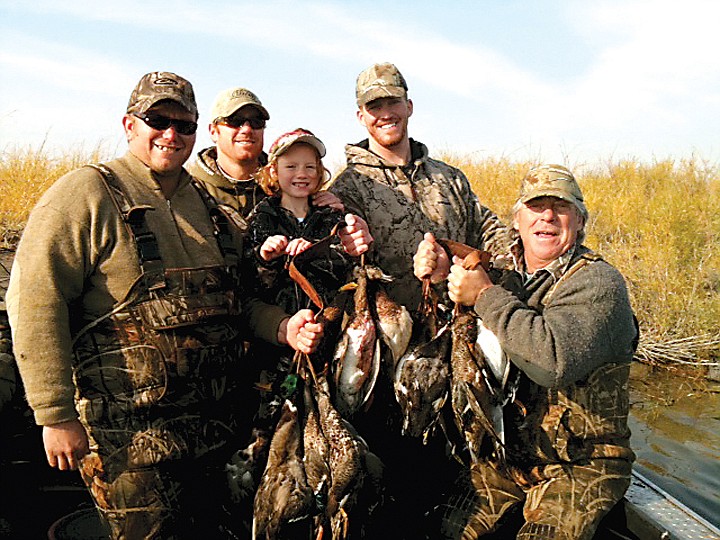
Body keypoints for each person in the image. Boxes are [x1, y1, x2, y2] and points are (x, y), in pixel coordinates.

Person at [6, 71, 370, 539]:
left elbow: (239, 300)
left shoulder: (208, 208)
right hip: (129, 440)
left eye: (184, 124)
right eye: (157, 120)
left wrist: (283, 327)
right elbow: (36, 302)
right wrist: (54, 414)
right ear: (129, 124)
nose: (171, 134)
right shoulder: (86, 194)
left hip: (215, 430)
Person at [327, 62, 516, 539]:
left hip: (454, 344)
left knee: (448, 460)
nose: (385, 113)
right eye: (374, 106)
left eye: (392, 102)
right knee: (389, 467)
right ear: (360, 116)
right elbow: (332, 264)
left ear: (409, 107)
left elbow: (493, 235)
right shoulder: (346, 188)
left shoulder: (449, 179)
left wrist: (469, 261)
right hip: (385, 354)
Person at [414, 164, 638, 540]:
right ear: (517, 221)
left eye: (560, 207)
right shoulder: (508, 275)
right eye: (536, 207)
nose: (547, 216)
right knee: (445, 528)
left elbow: (551, 362)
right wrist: (441, 280)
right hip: (508, 453)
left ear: (579, 221)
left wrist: (483, 294)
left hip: (581, 463)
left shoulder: (598, 283)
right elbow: (479, 330)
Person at [187, 86, 341, 219]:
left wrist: (330, 213)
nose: (247, 129)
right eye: (235, 121)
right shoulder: (190, 189)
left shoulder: (287, 184)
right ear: (213, 131)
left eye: (256, 122)